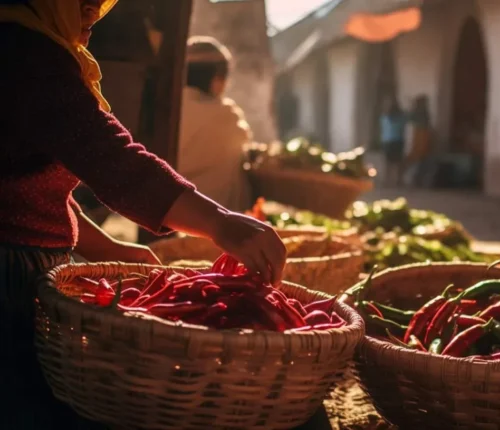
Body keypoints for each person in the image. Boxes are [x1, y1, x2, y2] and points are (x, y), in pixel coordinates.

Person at [0, 0, 287, 428]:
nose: (94, 9)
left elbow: (31, 190)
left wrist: (108, 246)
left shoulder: (31, 43)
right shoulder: (24, 50)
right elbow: (115, 162)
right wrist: (218, 222)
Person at [178, 36, 253, 212]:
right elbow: (243, 142)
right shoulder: (226, 116)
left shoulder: (168, 108)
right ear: (217, 78)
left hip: (174, 213)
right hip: (214, 218)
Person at [379, 95, 407, 187]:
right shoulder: (400, 117)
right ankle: (396, 180)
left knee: (389, 162)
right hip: (397, 140)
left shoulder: (385, 117)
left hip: (388, 141)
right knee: (396, 162)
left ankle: (388, 180)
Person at [404, 95, 432, 187]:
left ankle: (415, 180)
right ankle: (415, 180)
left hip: (420, 137)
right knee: (417, 159)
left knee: (417, 159)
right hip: (419, 137)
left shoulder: (421, 113)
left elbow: (410, 118)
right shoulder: (423, 113)